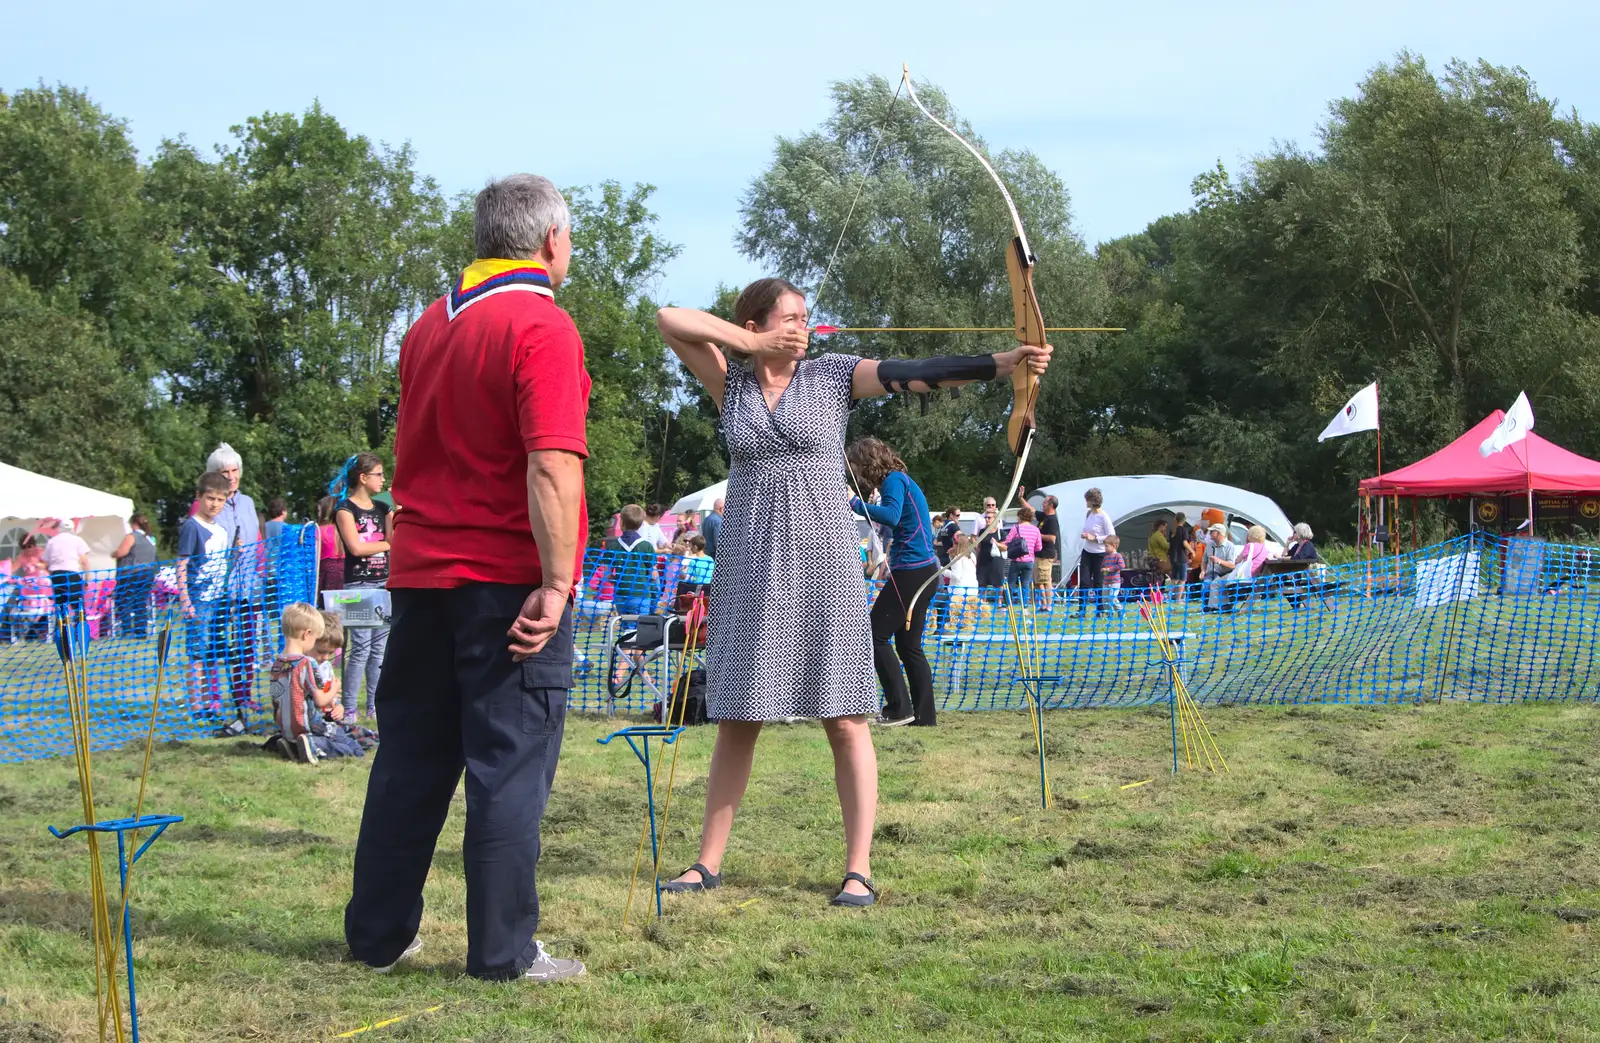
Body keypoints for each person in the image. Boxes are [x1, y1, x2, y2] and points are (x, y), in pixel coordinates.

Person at [655, 277, 1050, 906]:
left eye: (806, 318)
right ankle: (706, 864)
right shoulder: (730, 382)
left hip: (821, 563)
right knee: (736, 720)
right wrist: (748, 345)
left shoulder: (834, 374)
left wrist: (1001, 365)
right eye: (789, 319)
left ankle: (858, 868)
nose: (802, 328)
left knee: (846, 719)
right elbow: (668, 316)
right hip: (748, 563)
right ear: (755, 326)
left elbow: (911, 372)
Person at [345, 173, 588, 983]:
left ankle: (378, 935)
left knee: (410, 759)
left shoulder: (426, 325)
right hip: (506, 580)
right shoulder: (541, 323)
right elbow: (552, 463)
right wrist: (557, 583)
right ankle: (504, 951)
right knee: (509, 765)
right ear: (550, 241)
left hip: (419, 577)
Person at [847, 437, 939, 729]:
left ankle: (899, 708)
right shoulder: (900, 480)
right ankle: (924, 717)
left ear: (869, 462)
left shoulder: (894, 481)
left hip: (913, 572)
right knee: (909, 645)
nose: (857, 473)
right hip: (924, 571)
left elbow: (892, 516)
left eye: (858, 466)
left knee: (873, 635)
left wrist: (854, 503)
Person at [332, 453, 393, 721]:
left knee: (379, 649)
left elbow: (395, 537)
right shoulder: (345, 509)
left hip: (384, 583)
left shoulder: (383, 508)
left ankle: (374, 705)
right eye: (378, 474)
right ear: (363, 477)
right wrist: (388, 545)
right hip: (359, 584)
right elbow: (356, 548)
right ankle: (348, 709)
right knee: (360, 649)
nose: (383, 479)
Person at [207, 443, 264, 722]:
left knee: (247, 646)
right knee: (215, 645)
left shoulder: (248, 503)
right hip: (218, 589)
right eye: (223, 471)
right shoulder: (207, 505)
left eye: (234, 470)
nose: (230, 476)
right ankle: (213, 699)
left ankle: (245, 695)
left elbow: (258, 544)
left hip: (248, 589)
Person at [178, 473, 233, 716]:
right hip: (199, 599)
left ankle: (212, 700)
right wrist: (185, 599)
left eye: (220, 499)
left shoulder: (221, 530)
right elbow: (182, 565)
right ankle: (196, 705)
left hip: (218, 600)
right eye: (210, 498)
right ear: (199, 497)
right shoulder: (192, 527)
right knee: (197, 653)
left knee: (213, 652)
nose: (215, 504)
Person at [604, 504, 661, 616]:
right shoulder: (647, 546)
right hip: (642, 596)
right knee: (640, 629)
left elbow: (608, 575)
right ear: (640, 525)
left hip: (621, 595)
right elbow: (654, 575)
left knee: (625, 629)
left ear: (621, 523)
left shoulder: (612, 547)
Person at [112, 513, 158, 639]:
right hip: (148, 573)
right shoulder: (151, 539)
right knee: (140, 602)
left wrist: (114, 553)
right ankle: (141, 631)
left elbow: (122, 552)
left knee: (123, 601)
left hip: (131, 573)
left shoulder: (131, 536)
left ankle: (127, 630)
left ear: (133, 524)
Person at [1074, 488, 1115, 618]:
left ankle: (1100, 610)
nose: (1086, 502)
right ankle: (1081, 611)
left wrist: (1096, 538)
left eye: (1087, 499)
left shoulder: (1104, 517)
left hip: (1099, 554)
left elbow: (1111, 536)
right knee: (1084, 581)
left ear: (1093, 501)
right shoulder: (1089, 514)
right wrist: (1085, 535)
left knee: (1098, 581)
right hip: (1087, 551)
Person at [44, 519, 91, 620]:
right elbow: (84, 562)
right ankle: (81, 632)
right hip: (72, 574)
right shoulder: (77, 540)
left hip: (56, 575)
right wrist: (86, 580)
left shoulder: (52, 541)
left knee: (61, 606)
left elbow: (46, 562)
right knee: (78, 606)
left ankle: (62, 633)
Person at [1003, 504, 1044, 609]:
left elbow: (1007, 542)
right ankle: (1025, 606)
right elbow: (1039, 548)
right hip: (1029, 561)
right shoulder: (1036, 530)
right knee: (1026, 584)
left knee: (1011, 583)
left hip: (1016, 560)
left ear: (1020, 517)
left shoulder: (1016, 528)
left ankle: (1009, 604)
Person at [1201, 523, 1240, 612]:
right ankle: (1208, 608)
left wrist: (1219, 561)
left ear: (1219, 533)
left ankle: (1214, 608)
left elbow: (1232, 565)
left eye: (1212, 531)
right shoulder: (1210, 545)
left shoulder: (1230, 546)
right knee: (1205, 586)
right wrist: (1203, 571)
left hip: (1226, 574)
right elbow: (1204, 560)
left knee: (1214, 584)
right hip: (1211, 574)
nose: (1209, 533)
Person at [1033, 496, 1060, 610]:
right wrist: (1021, 498)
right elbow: (1031, 511)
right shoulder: (1044, 516)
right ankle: (1043, 605)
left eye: (1045, 502)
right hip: (1038, 554)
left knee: (1046, 580)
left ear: (1051, 505)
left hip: (1046, 554)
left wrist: (1037, 534)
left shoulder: (1052, 520)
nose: (1042, 504)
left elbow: (1052, 538)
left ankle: (1049, 605)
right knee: (1038, 582)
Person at [974, 503, 1006, 597]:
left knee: (998, 583)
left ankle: (999, 603)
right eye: (986, 518)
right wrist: (976, 558)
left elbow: (1005, 547)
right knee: (982, 583)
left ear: (995, 519)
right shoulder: (982, 531)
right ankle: (982, 602)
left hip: (996, 561)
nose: (987, 519)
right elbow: (979, 547)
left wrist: (997, 544)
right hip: (983, 561)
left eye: (989, 518)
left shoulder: (1000, 532)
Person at [316, 496, 345, 593]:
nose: (318, 514)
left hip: (326, 570)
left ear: (325, 512)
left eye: (319, 511)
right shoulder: (344, 529)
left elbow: (315, 555)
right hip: (344, 569)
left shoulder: (319, 530)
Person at [1169, 513, 1193, 598]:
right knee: (1182, 579)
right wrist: (1192, 551)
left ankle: (1169, 597)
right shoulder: (1183, 530)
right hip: (1181, 558)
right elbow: (1184, 543)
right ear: (1184, 520)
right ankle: (1178, 599)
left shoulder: (1172, 531)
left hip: (1173, 557)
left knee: (1174, 578)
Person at [1101, 535, 1126, 614]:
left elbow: (1122, 565)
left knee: (1112, 598)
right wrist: (1102, 569)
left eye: (1107, 546)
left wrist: (1109, 569)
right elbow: (1102, 566)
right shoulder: (1106, 557)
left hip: (1114, 582)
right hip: (1106, 582)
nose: (1105, 548)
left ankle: (1120, 611)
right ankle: (1109, 614)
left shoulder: (1118, 556)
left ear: (1114, 546)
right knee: (1105, 599)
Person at [1147, 518, 1171, 586]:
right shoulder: (1158, 535)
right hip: (1158, 558)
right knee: (1159, 578)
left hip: (1151, 558)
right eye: (1165, 526)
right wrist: (1174, 542)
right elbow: (1166, 546)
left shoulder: (1152, 534)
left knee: (1156, 577)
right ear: (1161, 526)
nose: (1166, 528)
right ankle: (1158, 593)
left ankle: (1155, 592)